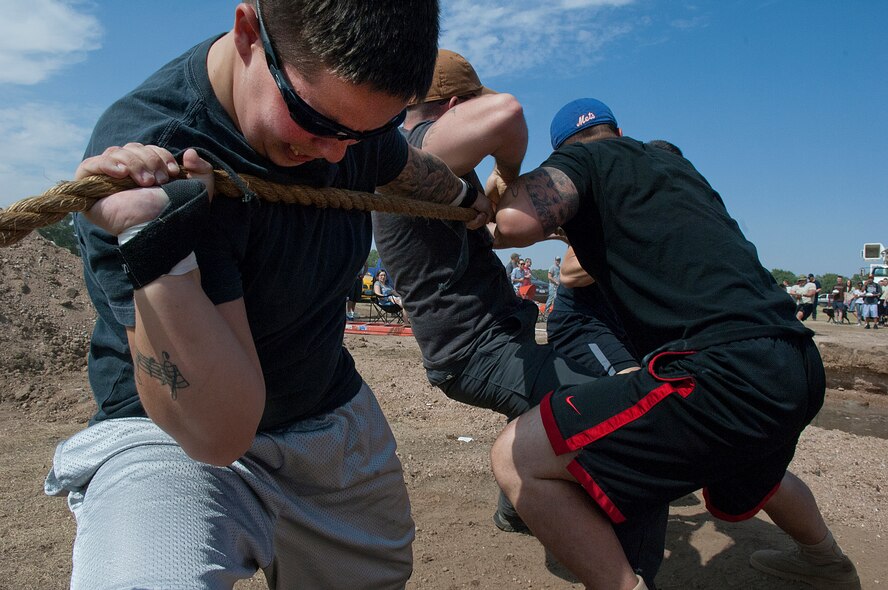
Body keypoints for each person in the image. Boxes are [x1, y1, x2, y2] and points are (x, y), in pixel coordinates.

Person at [42, 2, 495, 588]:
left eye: (367, 131)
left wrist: (464, 200)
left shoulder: (348, 125)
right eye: (316, 121)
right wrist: (155, 241)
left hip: (325, 410)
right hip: (172, 436)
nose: (336, 154)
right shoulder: (148, 158)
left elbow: (403, 165)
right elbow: (217, 434)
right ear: (248, 32)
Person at [489, 97, 858, 590]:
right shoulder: (677, 170)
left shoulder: (584, 163)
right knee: (745, 467)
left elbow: (513, 224)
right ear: (617, 131)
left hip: (724, 371)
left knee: (518, 457)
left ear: (563, 149)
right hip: (798, 361)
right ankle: (826, 563)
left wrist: (500, 182)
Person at [372, 51, 666, 587]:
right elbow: (507, 113)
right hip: (477, 353)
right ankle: (637, 577)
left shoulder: (424, 172)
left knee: (555, 411)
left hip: (489, 342)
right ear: (456, 106)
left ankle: (518, 508)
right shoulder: (413, 150)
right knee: (637, 422)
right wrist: (507, 174)